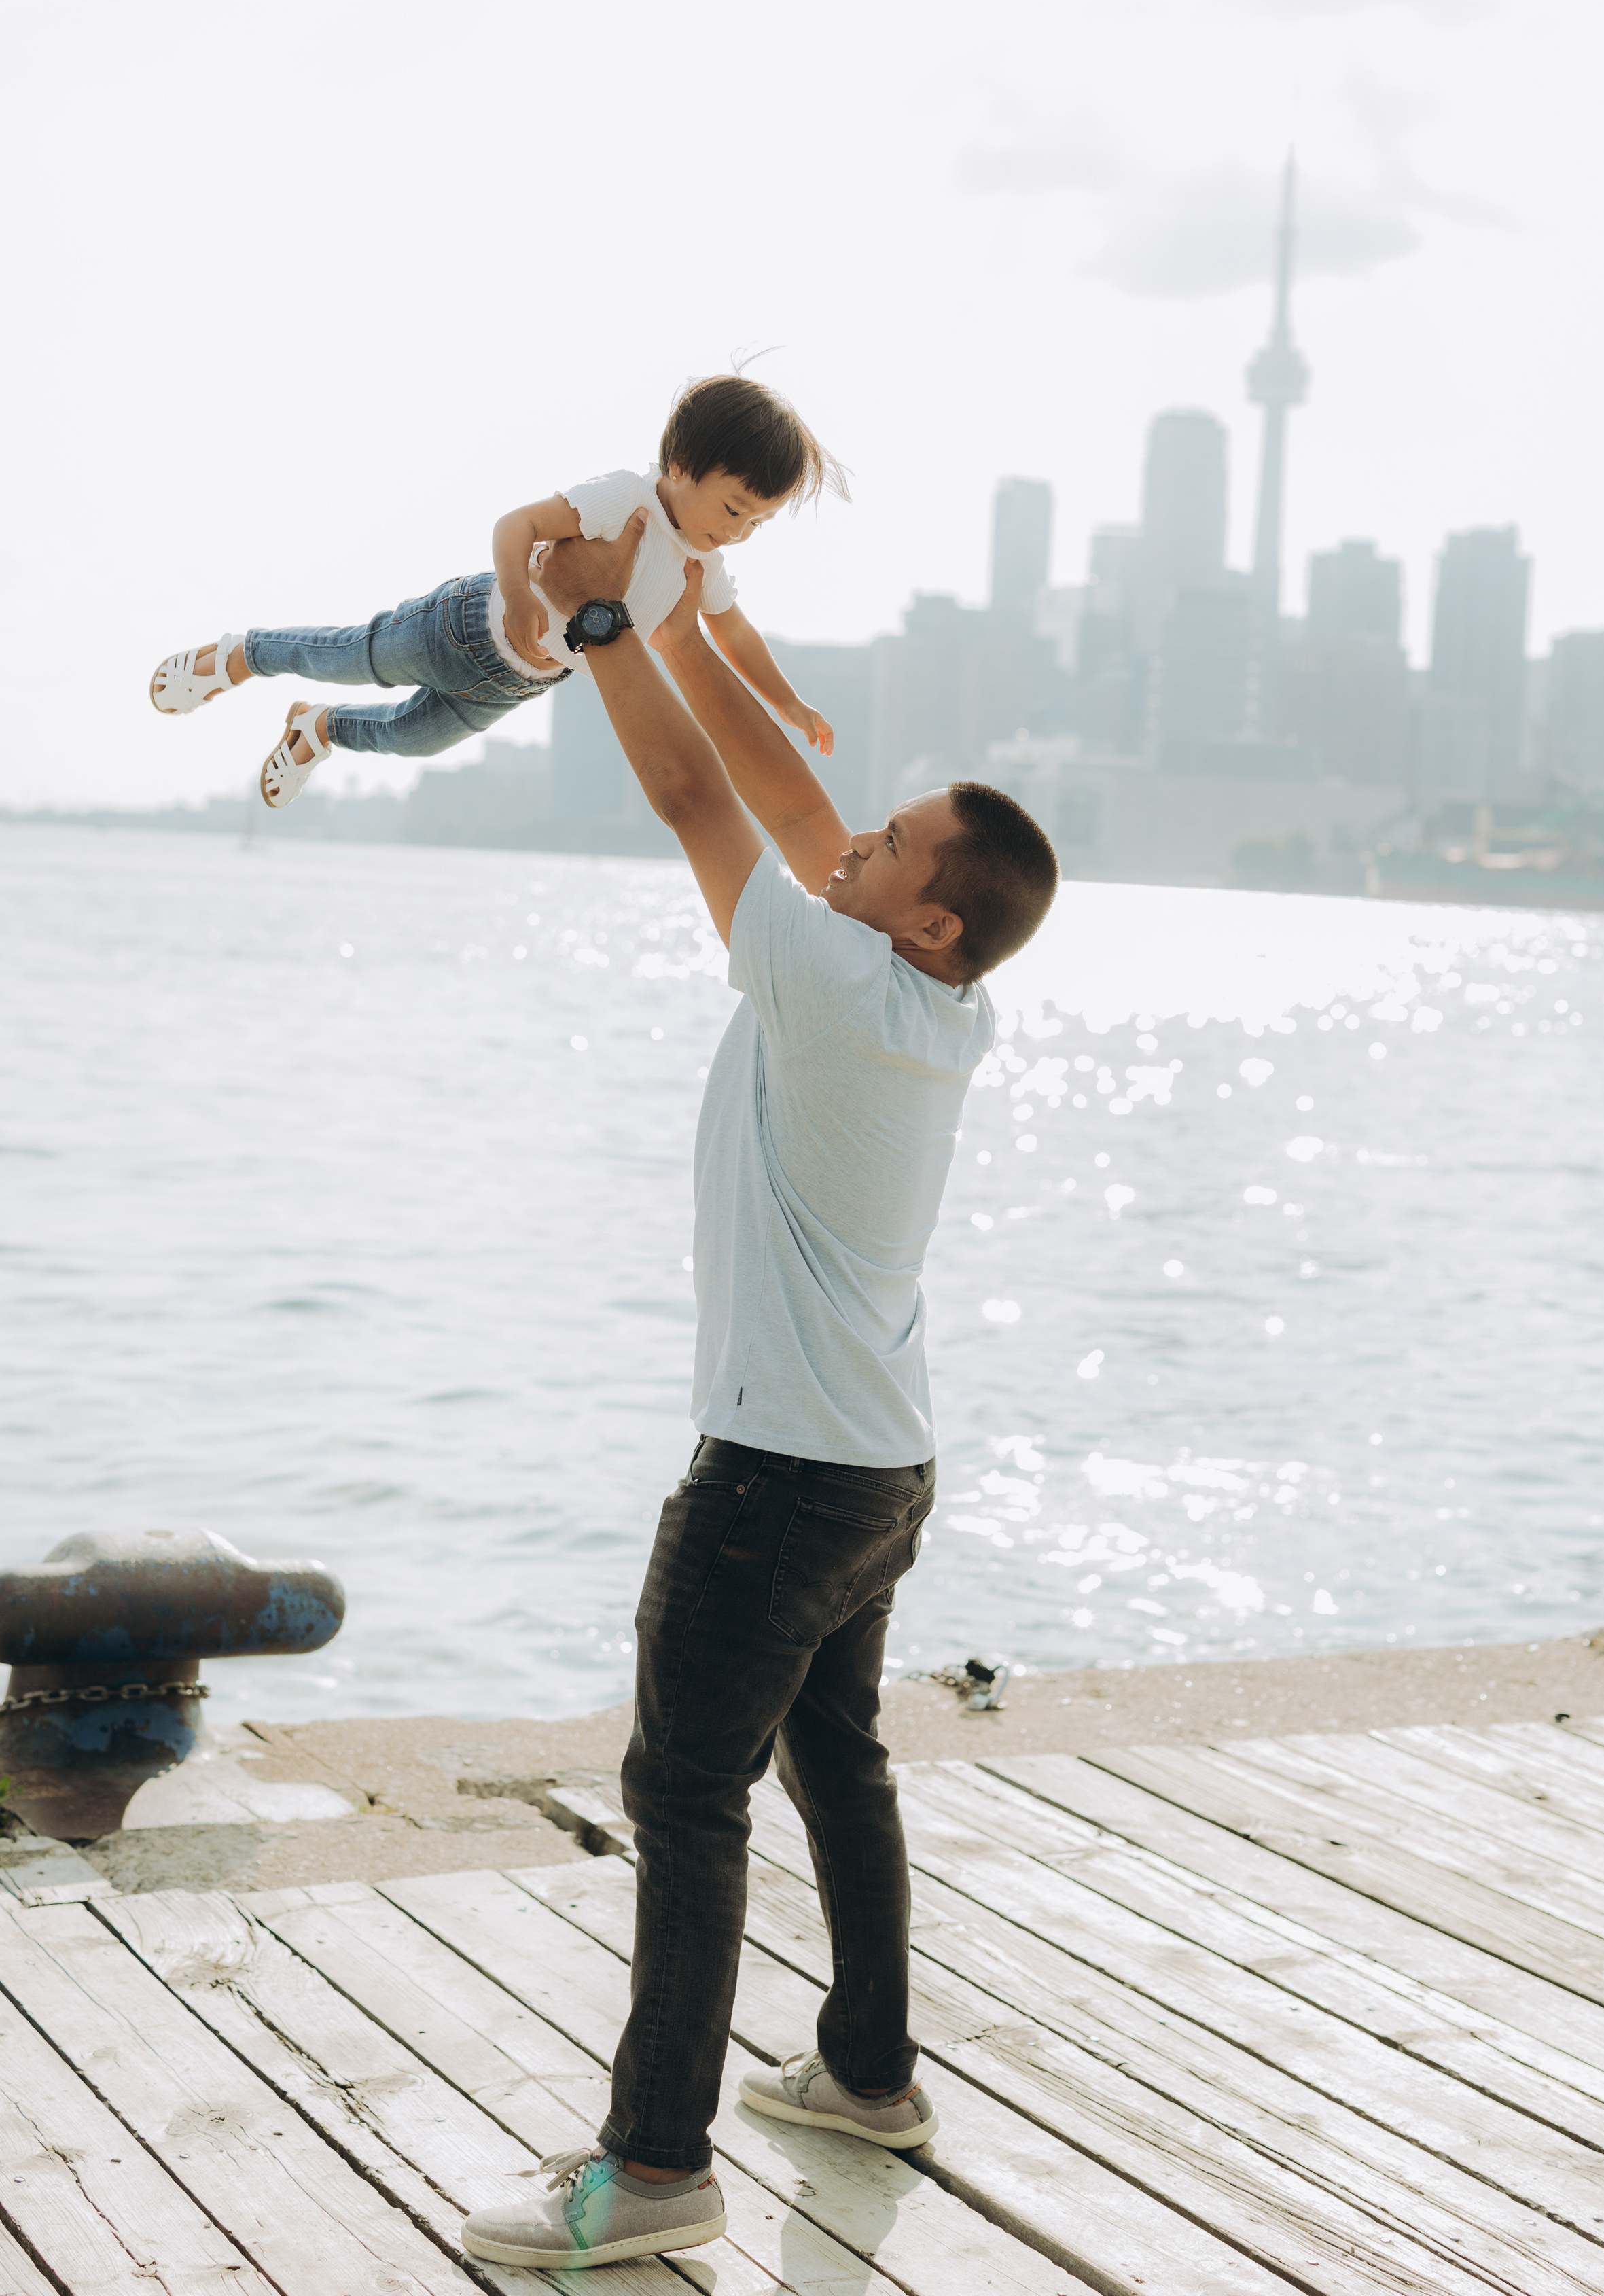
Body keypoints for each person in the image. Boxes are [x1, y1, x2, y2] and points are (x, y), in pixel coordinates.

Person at [460, 526, 1058, 2272]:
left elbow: (685, 793)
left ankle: (653, 2167)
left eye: (882, 846)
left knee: (686, 1794)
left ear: (925, 910)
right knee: (838, 1759)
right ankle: (866, 2075)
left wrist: (593, 620)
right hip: (882, 1471)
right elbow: (793, 804)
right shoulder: (932, 999)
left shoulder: (820, 975)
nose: (848, 843)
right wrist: (684, 618)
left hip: (775, 1484)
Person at [145, 373, 842, 808]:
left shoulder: (703, 566)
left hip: (515, 683)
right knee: (354, 656)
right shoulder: (625, 500)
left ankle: (318, 729)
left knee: (415, 743)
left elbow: (735, 633)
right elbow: (517, 525)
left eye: (759, 521)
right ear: (684, 465)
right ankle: (241, 656)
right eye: (733, 509)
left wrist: (786, 701)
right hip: (466, 624)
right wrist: (516, 593)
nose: (740, 531)